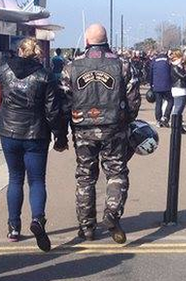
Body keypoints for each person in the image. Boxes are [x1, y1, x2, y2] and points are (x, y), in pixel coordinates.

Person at [56, 24, 141, 243]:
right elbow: (133, 98)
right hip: (114, 127)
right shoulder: (122, 64)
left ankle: (87, 227)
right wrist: (128, 120)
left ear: (86, 41)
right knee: (116, 173)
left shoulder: (71, 66)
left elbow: (64, 101)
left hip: (83, 128)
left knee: (85, 176)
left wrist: (65, 130)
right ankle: (111, 214)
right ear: (106, 40)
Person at [0, 38, 60, 252]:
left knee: (15, 178)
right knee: (37, 180)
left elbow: (4, 94)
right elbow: (52, 110)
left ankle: (13, 226)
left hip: (8, 129)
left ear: (20, 51)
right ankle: (38, 220)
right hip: (35, 132)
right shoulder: (44, 75)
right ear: (37, 53)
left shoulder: (4, 70)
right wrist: (59, 135)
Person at [149, 51, 173, 127]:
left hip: (157, 85)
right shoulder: (168, 61)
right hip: (167, 85)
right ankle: (166, 117)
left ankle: (158, 120)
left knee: (158, 103)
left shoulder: (154, 61)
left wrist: (151, 84)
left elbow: (150, 73)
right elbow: (171, 73)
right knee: (170, 101)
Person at [170, 50, 186, 134]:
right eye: (181, 57)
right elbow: (182, 76)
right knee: (177, 109)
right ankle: (175, 126)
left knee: (180, 110)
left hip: (182, 89)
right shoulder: (175, 67)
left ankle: (180, 126)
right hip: (179, 90)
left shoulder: (180, 66)